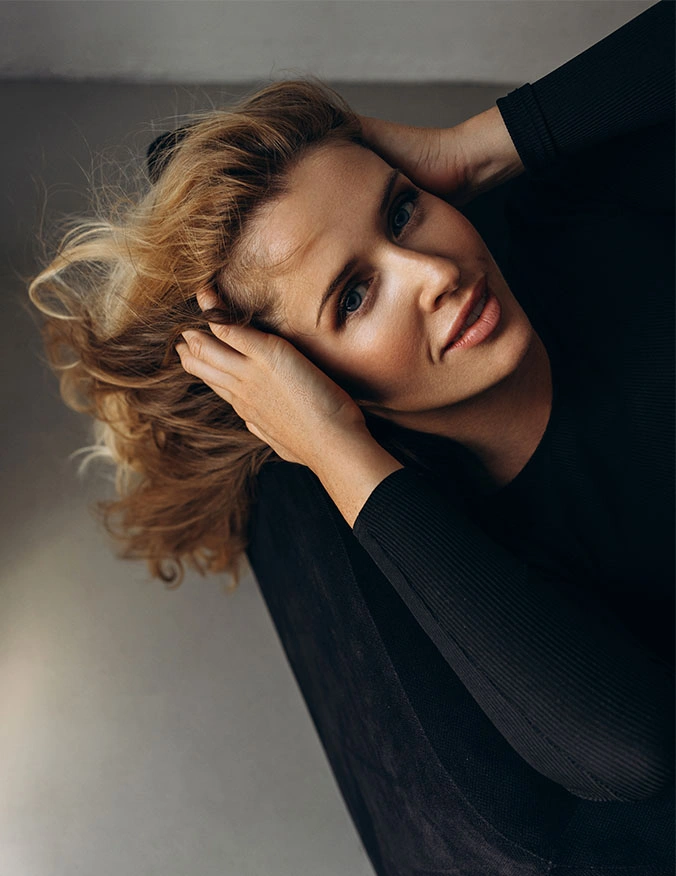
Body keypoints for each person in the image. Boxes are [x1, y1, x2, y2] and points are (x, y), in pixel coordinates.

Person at [28, 1, 674, 873]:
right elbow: (628, 752)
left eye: (402, 213)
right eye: (355, 297)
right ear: (308, 386)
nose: (438, 274)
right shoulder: (471, 549)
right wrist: (336, 450)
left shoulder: (581, 217)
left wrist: (481, 143)